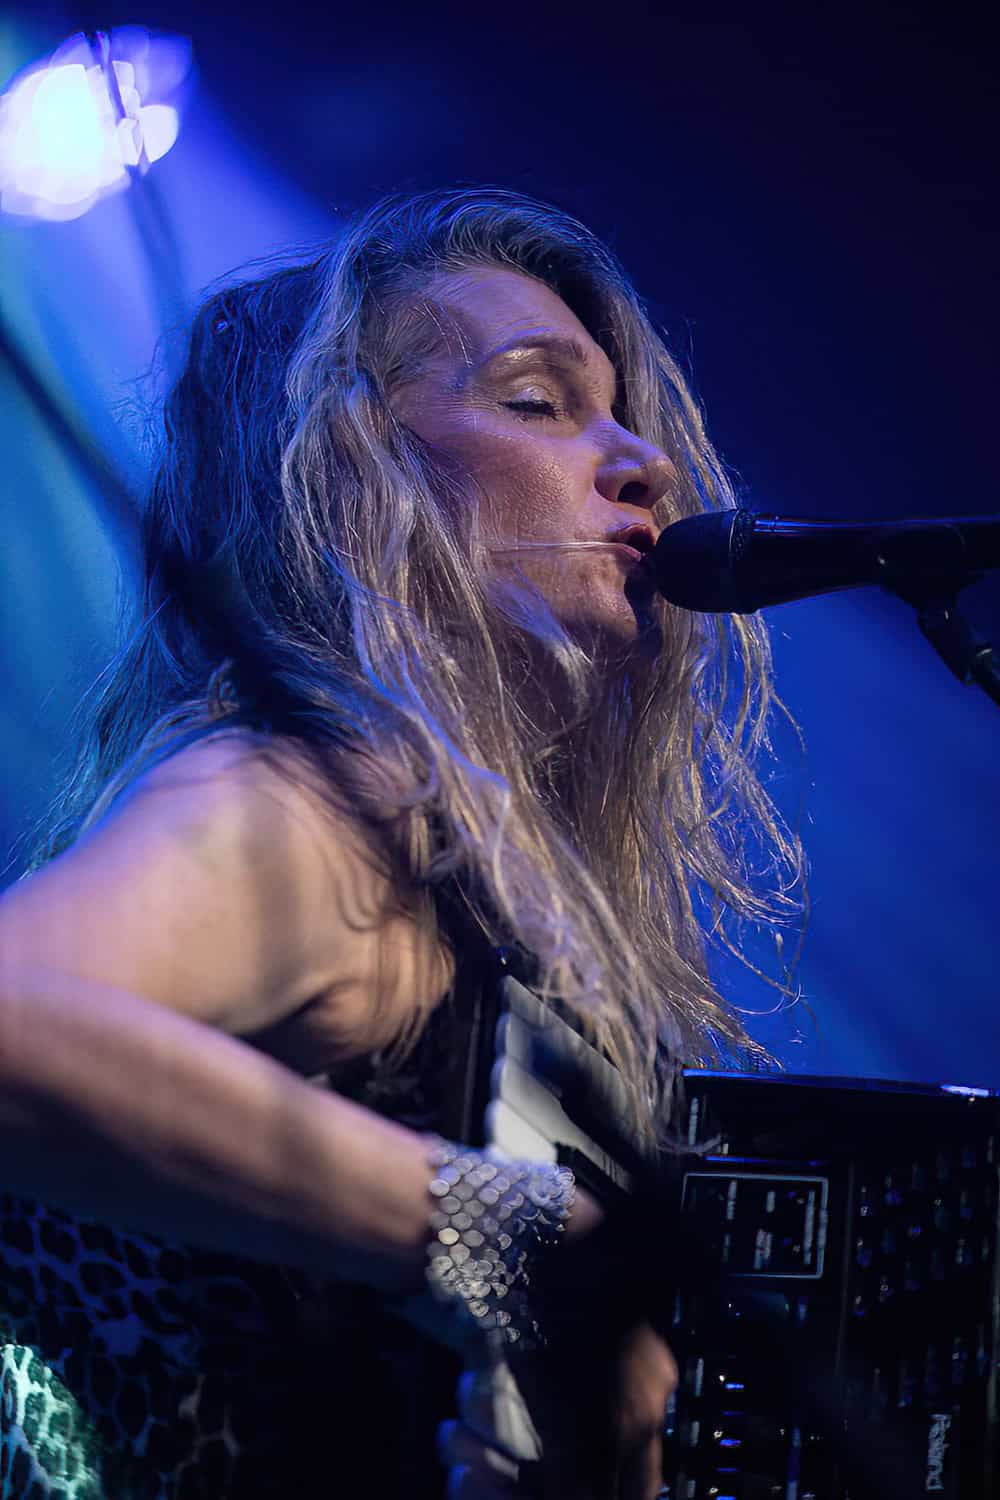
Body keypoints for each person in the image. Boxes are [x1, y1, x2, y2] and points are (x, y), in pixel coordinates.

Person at [0, 186, 802, 1498]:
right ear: (343, 469)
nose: (643, 463)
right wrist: (504, 1239)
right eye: (537, 402)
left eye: (620, 413)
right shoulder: (304, 802)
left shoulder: (470, 886)